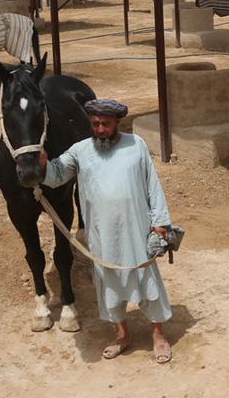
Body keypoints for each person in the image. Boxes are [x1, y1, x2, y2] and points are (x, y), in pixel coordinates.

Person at [39, 98, 174, 363]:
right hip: (102, 236)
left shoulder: (136, 145)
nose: (100, 129)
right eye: (95, 124)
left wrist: (160, 222)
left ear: (117, 123)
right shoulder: (80, 150)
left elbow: (152, 184)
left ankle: (158, 336)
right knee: (109, 285)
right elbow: (56, 175)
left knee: (147, 282)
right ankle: (122, 335)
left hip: (135, 229)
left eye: (106, 124)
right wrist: (42, 163)